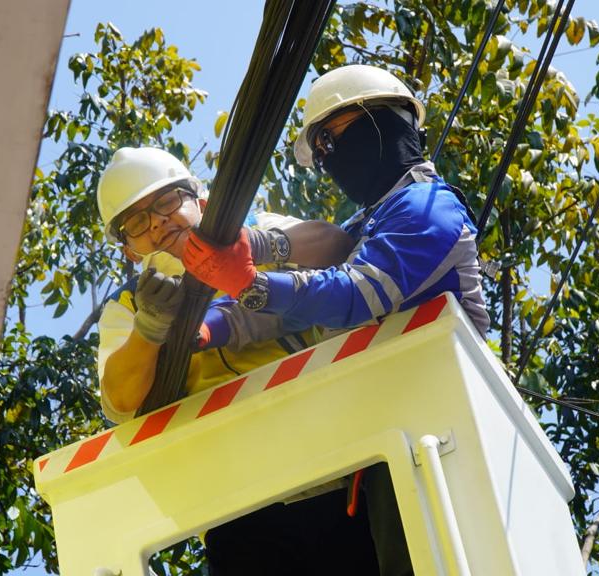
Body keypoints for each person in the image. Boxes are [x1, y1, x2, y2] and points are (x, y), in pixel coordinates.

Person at [182, 64, 491, 575]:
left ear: (381, 121)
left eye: (330, 138)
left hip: (442, 439)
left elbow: (355, 293)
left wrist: (252, 283)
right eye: (318, 149)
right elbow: (295, 298)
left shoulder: (429, 208)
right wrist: (210, 325)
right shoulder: (366, 226)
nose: (327, 160)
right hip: (382, 453)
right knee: (244, 539)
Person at [94, 147, 377, 575]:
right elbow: (120, 399)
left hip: (336, 470)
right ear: (129, 249)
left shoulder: (256, 234)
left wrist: (260, 248)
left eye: (166, 202)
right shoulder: (128, 308)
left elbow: (338, 246)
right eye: (135, 222)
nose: (156, 222)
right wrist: (150, 329)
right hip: (236, 509)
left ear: (199, 200)